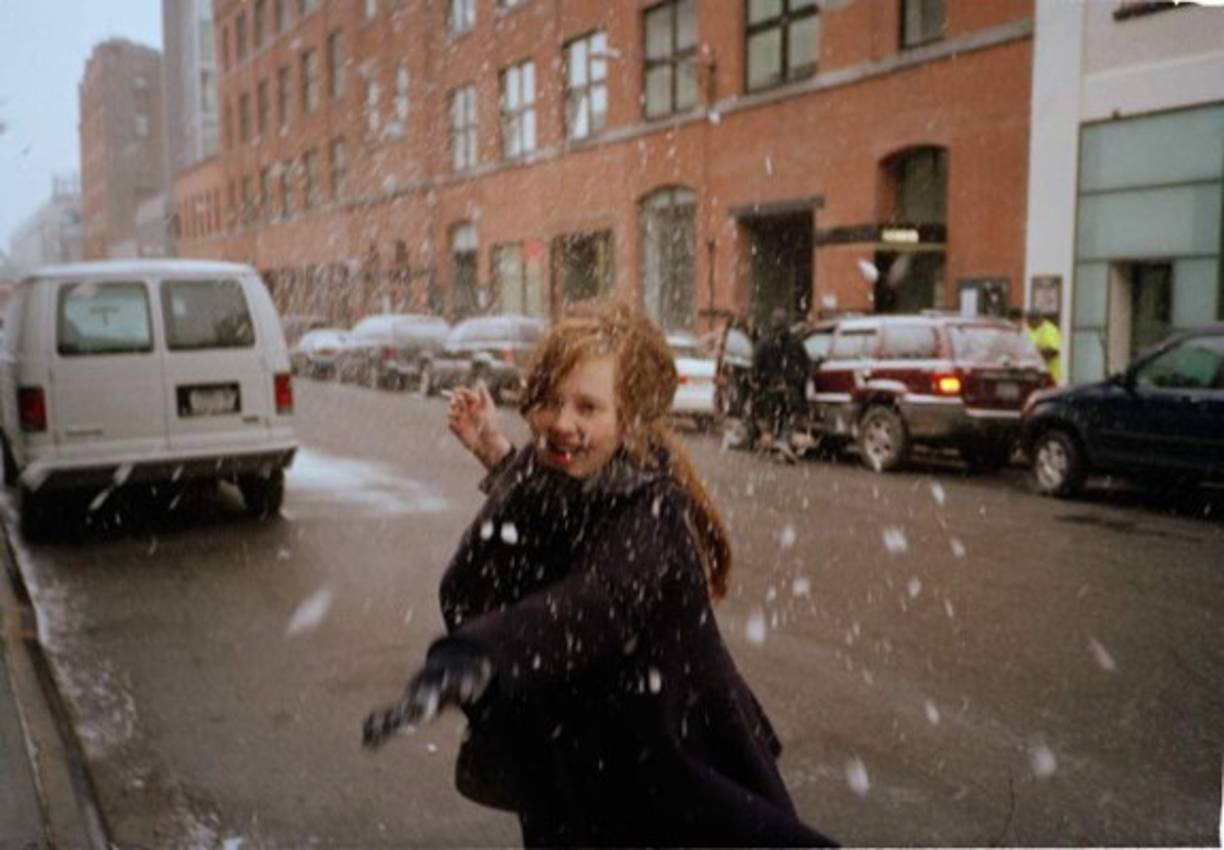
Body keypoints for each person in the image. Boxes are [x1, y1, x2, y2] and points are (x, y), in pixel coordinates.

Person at [362, 301, 835, 848]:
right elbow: (558, 511)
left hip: (669, 781)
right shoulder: (563, 479)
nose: (562, 422)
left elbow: (597, 601)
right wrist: (498, 454)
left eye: (588, 407)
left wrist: (476, 654)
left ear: (629, 418)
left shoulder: (650, 512)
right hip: (579, 773)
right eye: (549, 401)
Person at [750, 308, 808, 459]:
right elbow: (806, 364)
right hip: (787, 389)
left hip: (771, 389)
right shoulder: (794, 343)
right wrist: (798, 379)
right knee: (786, 418)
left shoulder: (765, 343)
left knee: (770, 419)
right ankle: (781, 443)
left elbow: (755, 366)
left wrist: (759, 381)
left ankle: (769, 443)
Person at [1025, 309, 1063, 384]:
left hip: (1051, 374)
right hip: (1035, 374)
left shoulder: (1049, 330)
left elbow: (1055, 350)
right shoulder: (1028, 330)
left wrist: (1037, 353)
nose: (1028, 324)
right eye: (1027, 321)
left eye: (1029, 321)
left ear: (1037, 320)